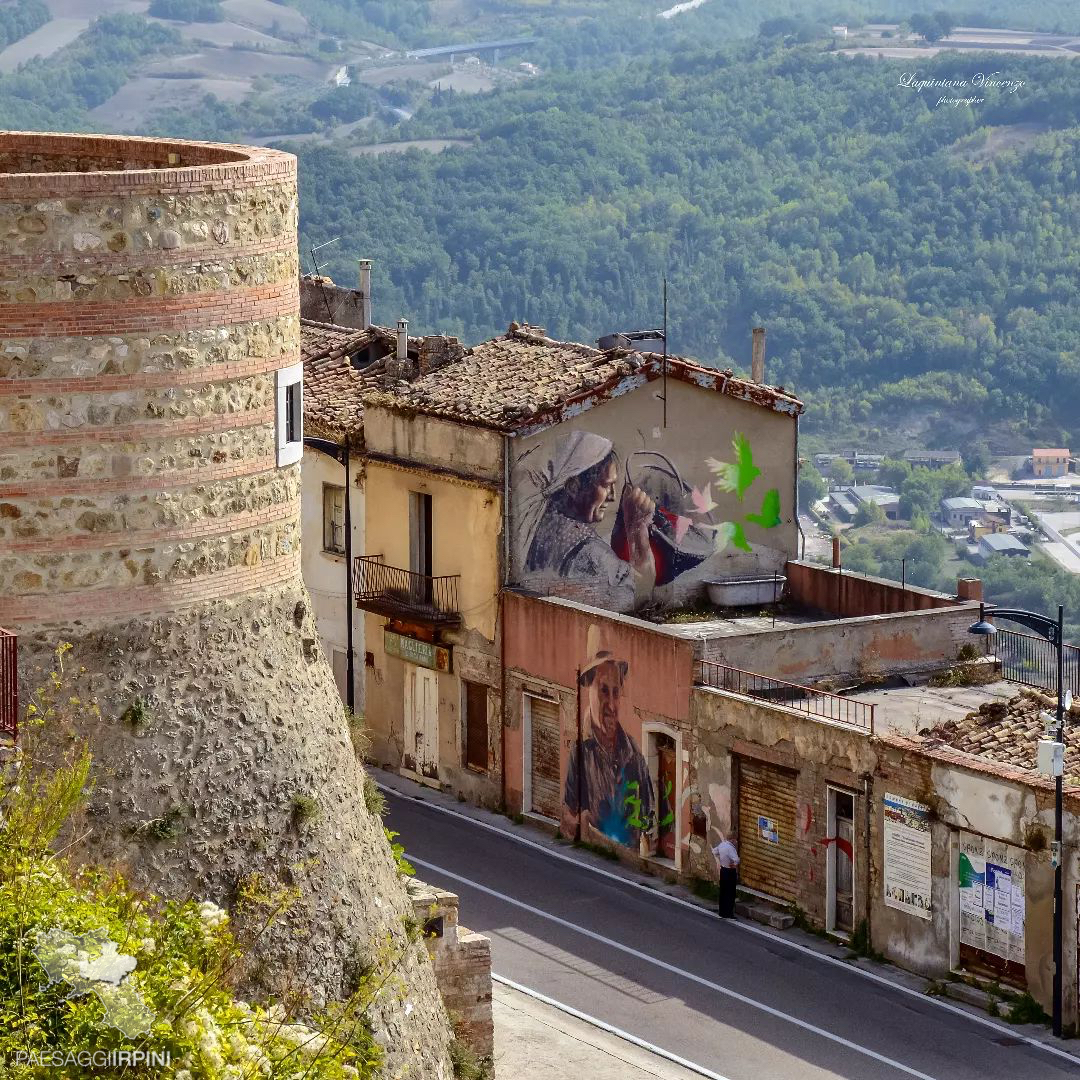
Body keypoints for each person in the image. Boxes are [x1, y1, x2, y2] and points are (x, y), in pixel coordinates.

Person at [515, 431, 656, 612]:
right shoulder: (591, 555)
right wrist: (637, 528)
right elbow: (639, 597)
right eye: (606, 485)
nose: (613, 496)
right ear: (573, 487)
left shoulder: (546, 523)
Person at [561, 628, 653, 848]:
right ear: (589, 690)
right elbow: (567, 814)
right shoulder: (581, 752)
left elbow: (650, 814)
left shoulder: (634, 755)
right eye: (603, 691)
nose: (612, 705)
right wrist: (578, 822)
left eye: (616, 692)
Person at [712, 831, 740, 918]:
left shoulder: (722, 844)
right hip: (730, 871)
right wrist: (734, 864)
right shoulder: (730, 848)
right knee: (730, 893)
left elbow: (714, 852)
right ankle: (729, 914)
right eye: (735, 839)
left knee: (723, 892)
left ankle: (722, 912)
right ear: (732, 839)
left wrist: (721, 859)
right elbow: (736, 859)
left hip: (723, 870)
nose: (736, 841)